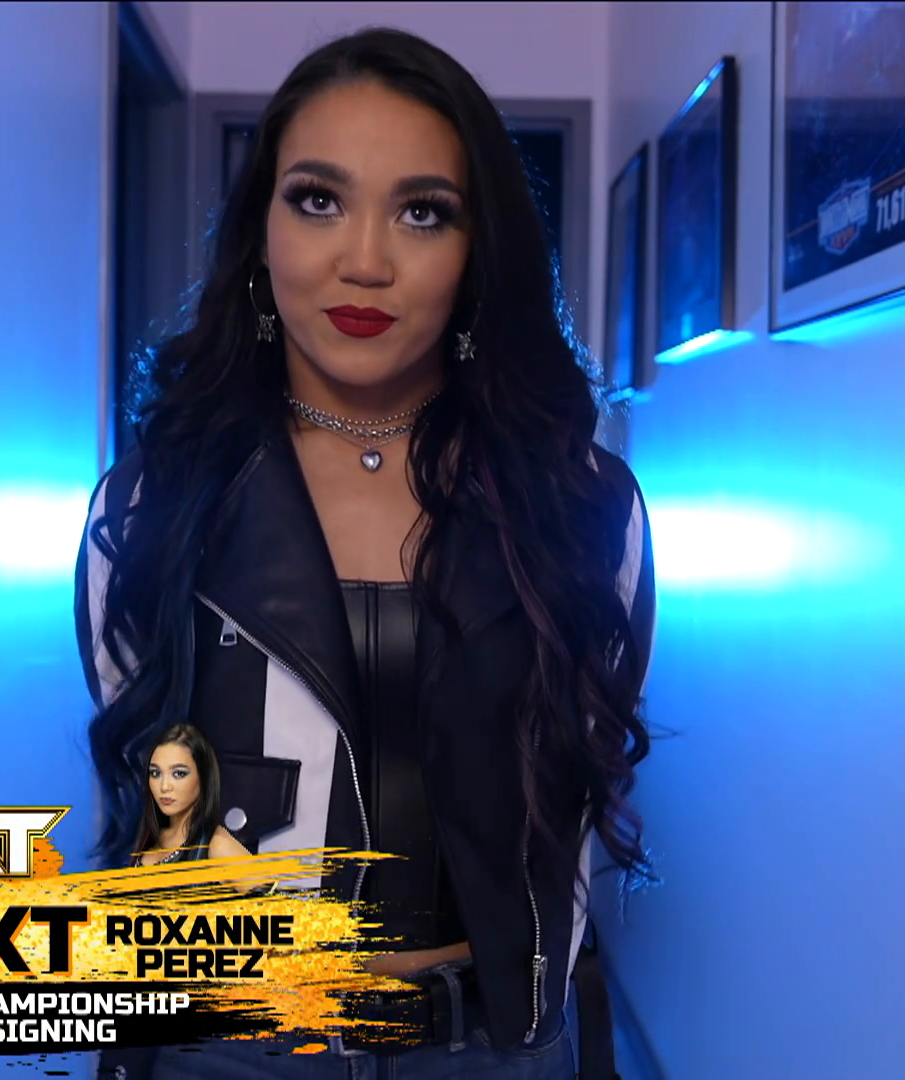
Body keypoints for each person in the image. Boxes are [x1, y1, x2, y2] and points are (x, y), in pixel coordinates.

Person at [77, 26, 655, 1080]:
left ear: (476, 252)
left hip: (488, 1053)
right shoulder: (153, 503)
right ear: (260, 229)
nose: (366, 261)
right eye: (318, 200)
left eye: (422, 212)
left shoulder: (581, 506)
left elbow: (571, 802)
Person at [130, 724, 250, 866]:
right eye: (156, 773)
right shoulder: (151, 837)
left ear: (203, 777)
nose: (164, 786)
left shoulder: (217, 844)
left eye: (179, 774)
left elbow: (265, 880)